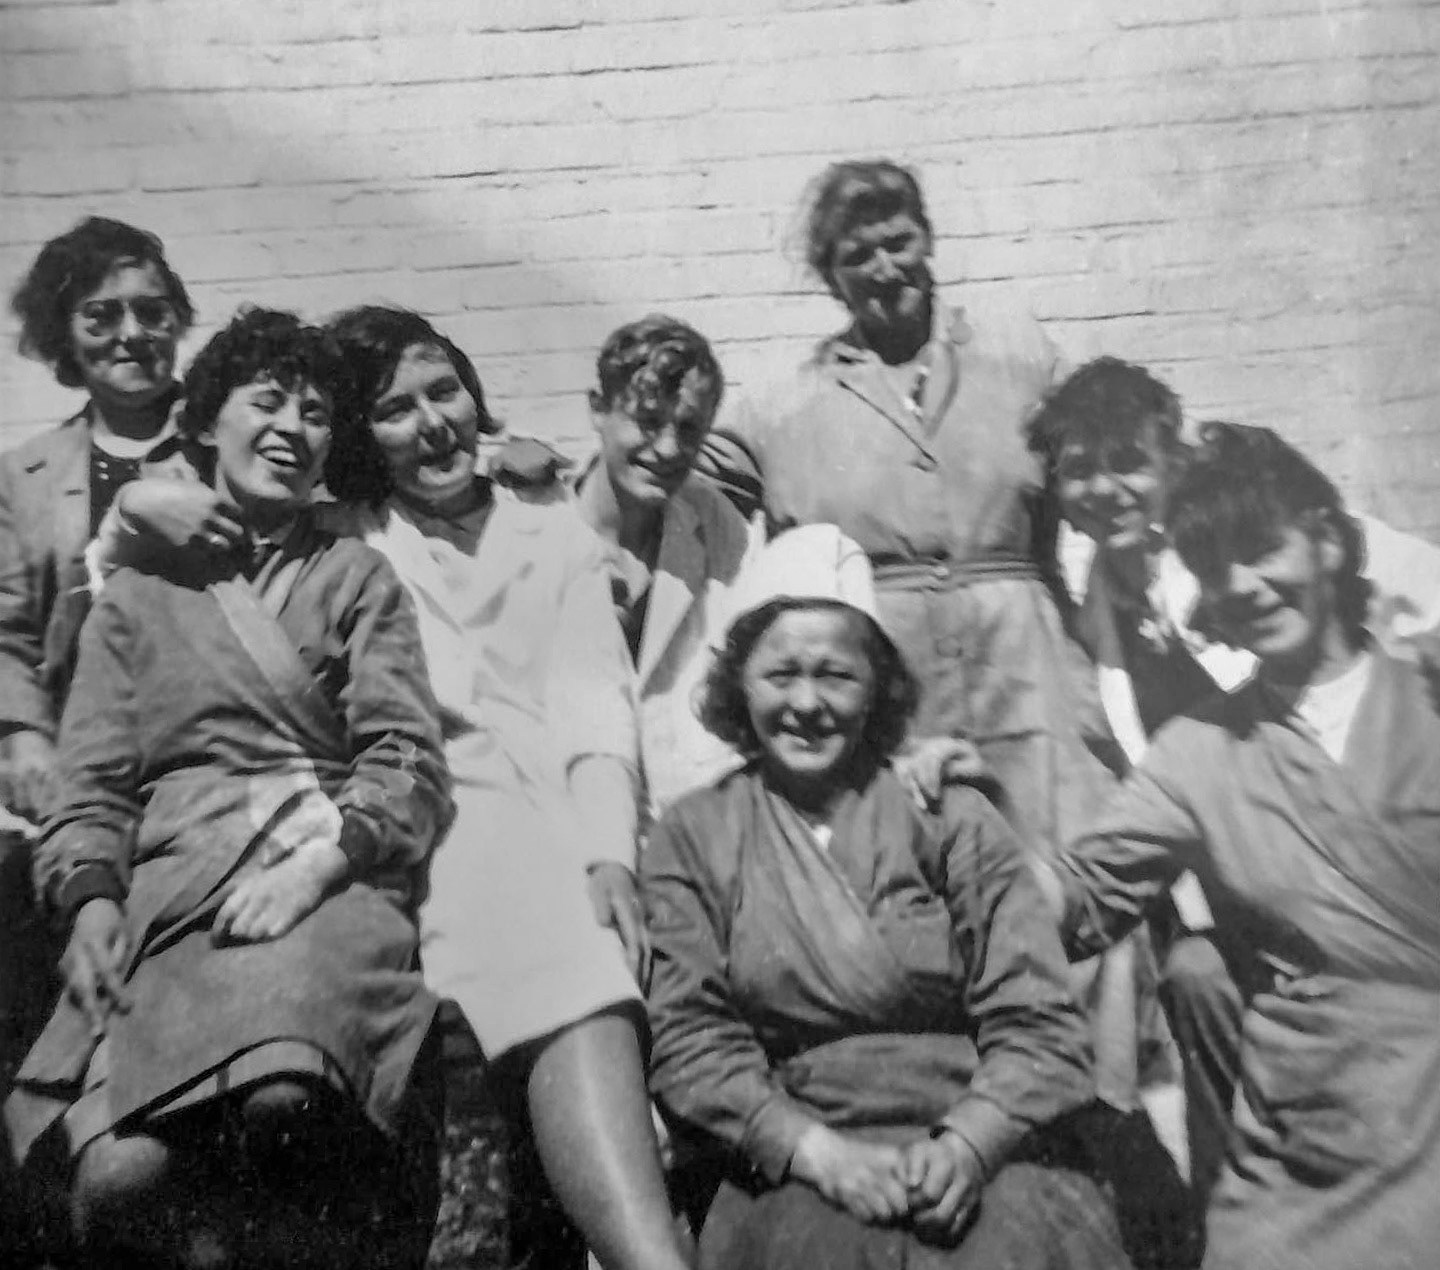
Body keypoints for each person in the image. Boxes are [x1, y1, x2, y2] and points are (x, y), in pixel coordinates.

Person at [102, 304, 693, 1270]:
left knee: (585, 928)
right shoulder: (349, 536)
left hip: (563, 821)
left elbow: (597, 722)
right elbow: (148, 558)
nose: (434, 425)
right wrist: (137, 498)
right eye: (393, 409)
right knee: (561, 952)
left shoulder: (553, 538)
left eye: (445, 392)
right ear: (362, 438)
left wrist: (606, 857)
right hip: (433, 815)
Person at [4, 308, 453, 1269]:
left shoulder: (356, 578)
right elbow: (91, 785)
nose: (294, 424)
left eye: (319, 411)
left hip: (322, 883)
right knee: (118, 1183)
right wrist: (88, 906)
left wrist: (320, 868)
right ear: (207, 424)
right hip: (173, 899)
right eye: (269, 400)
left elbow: (407, 756)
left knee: (286, 1096)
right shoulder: (132, 595)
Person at [701, 158, 1149, 1117]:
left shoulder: (1018, 351)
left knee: (1077, 881)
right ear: (832, 279)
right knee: (935, 886)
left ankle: (1109, 1123)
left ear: (929, 240)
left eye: (898, 240)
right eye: (857, 254)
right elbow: (675, 468)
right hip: (891, 677)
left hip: (1026, 652)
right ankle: (973, 1113)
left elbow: (1115, 430)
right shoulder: (787, 400)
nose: (885, 265)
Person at [641, 524, 1131, 1270]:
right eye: (781, 675)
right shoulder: (695, 834)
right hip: (800, 1151)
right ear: (741, 680)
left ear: (877, 686)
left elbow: (1040, 1020)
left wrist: (969, 1143)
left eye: (836, 676)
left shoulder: (949, 817)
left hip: (982, 1137)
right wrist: (817, 1153)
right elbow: (688, 1038)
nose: (807, 703)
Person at [1031, 358, 1440, 1208]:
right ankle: (1236, 1199)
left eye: (1128, 462)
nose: (1106, 489)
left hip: (1358, 862)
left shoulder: (1240, 537)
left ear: (1173, 461)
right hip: (1236, 880)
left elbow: (1398, 582)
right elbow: (1152, 794)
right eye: (1079, 470)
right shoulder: (1091, 602)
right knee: (1199, 977)